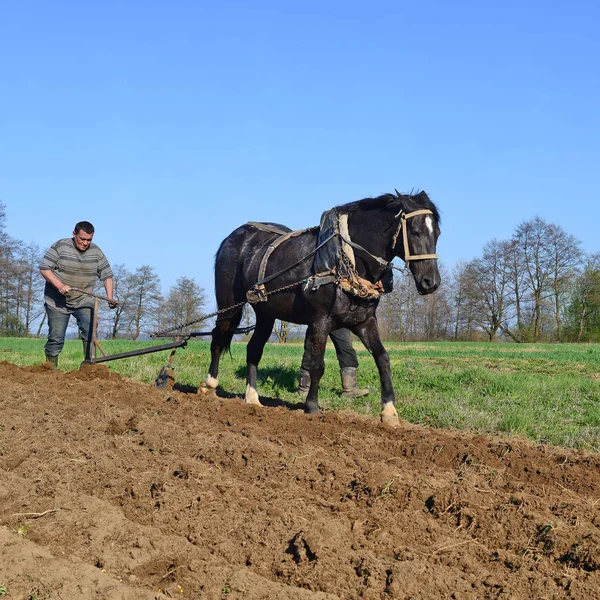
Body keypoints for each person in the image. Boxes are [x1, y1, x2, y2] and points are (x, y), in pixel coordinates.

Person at [39, 221, 115, 368]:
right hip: (57, 301)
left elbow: (107, 275)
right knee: (56, 337)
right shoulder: (61, 246)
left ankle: (88, 367)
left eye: (89, 240)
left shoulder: (96, 252)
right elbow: (44, 268)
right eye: (82, 239)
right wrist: (59, 285)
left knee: (90, 330)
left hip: (83, 300)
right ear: (74, 234)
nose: (85, 243)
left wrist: (110, 297)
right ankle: (50, 371)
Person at [297, 328, 369, 398]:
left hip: (339, 319)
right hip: (318, 318)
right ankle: (304, 389)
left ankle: (350, 388)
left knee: (346, 349)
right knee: (313, 350)